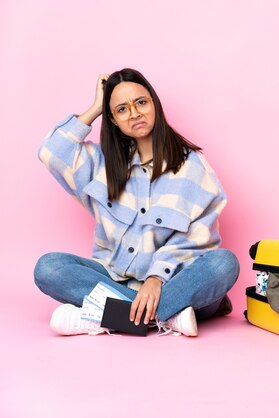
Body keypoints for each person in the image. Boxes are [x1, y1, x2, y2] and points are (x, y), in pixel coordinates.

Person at [34, 68, 239, 337]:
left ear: (154, 103)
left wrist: (156, 278)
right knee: (48, 267)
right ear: (113, 119)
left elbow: (197, 239)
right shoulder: (102, 164)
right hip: (114, 278)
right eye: (121, 109)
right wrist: (96, 107)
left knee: (223, 264)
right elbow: (52, 152)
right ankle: (165, 317)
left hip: (175, 284)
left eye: (141, 102)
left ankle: (104, 316)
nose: (134, 113)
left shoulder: (192, 166)